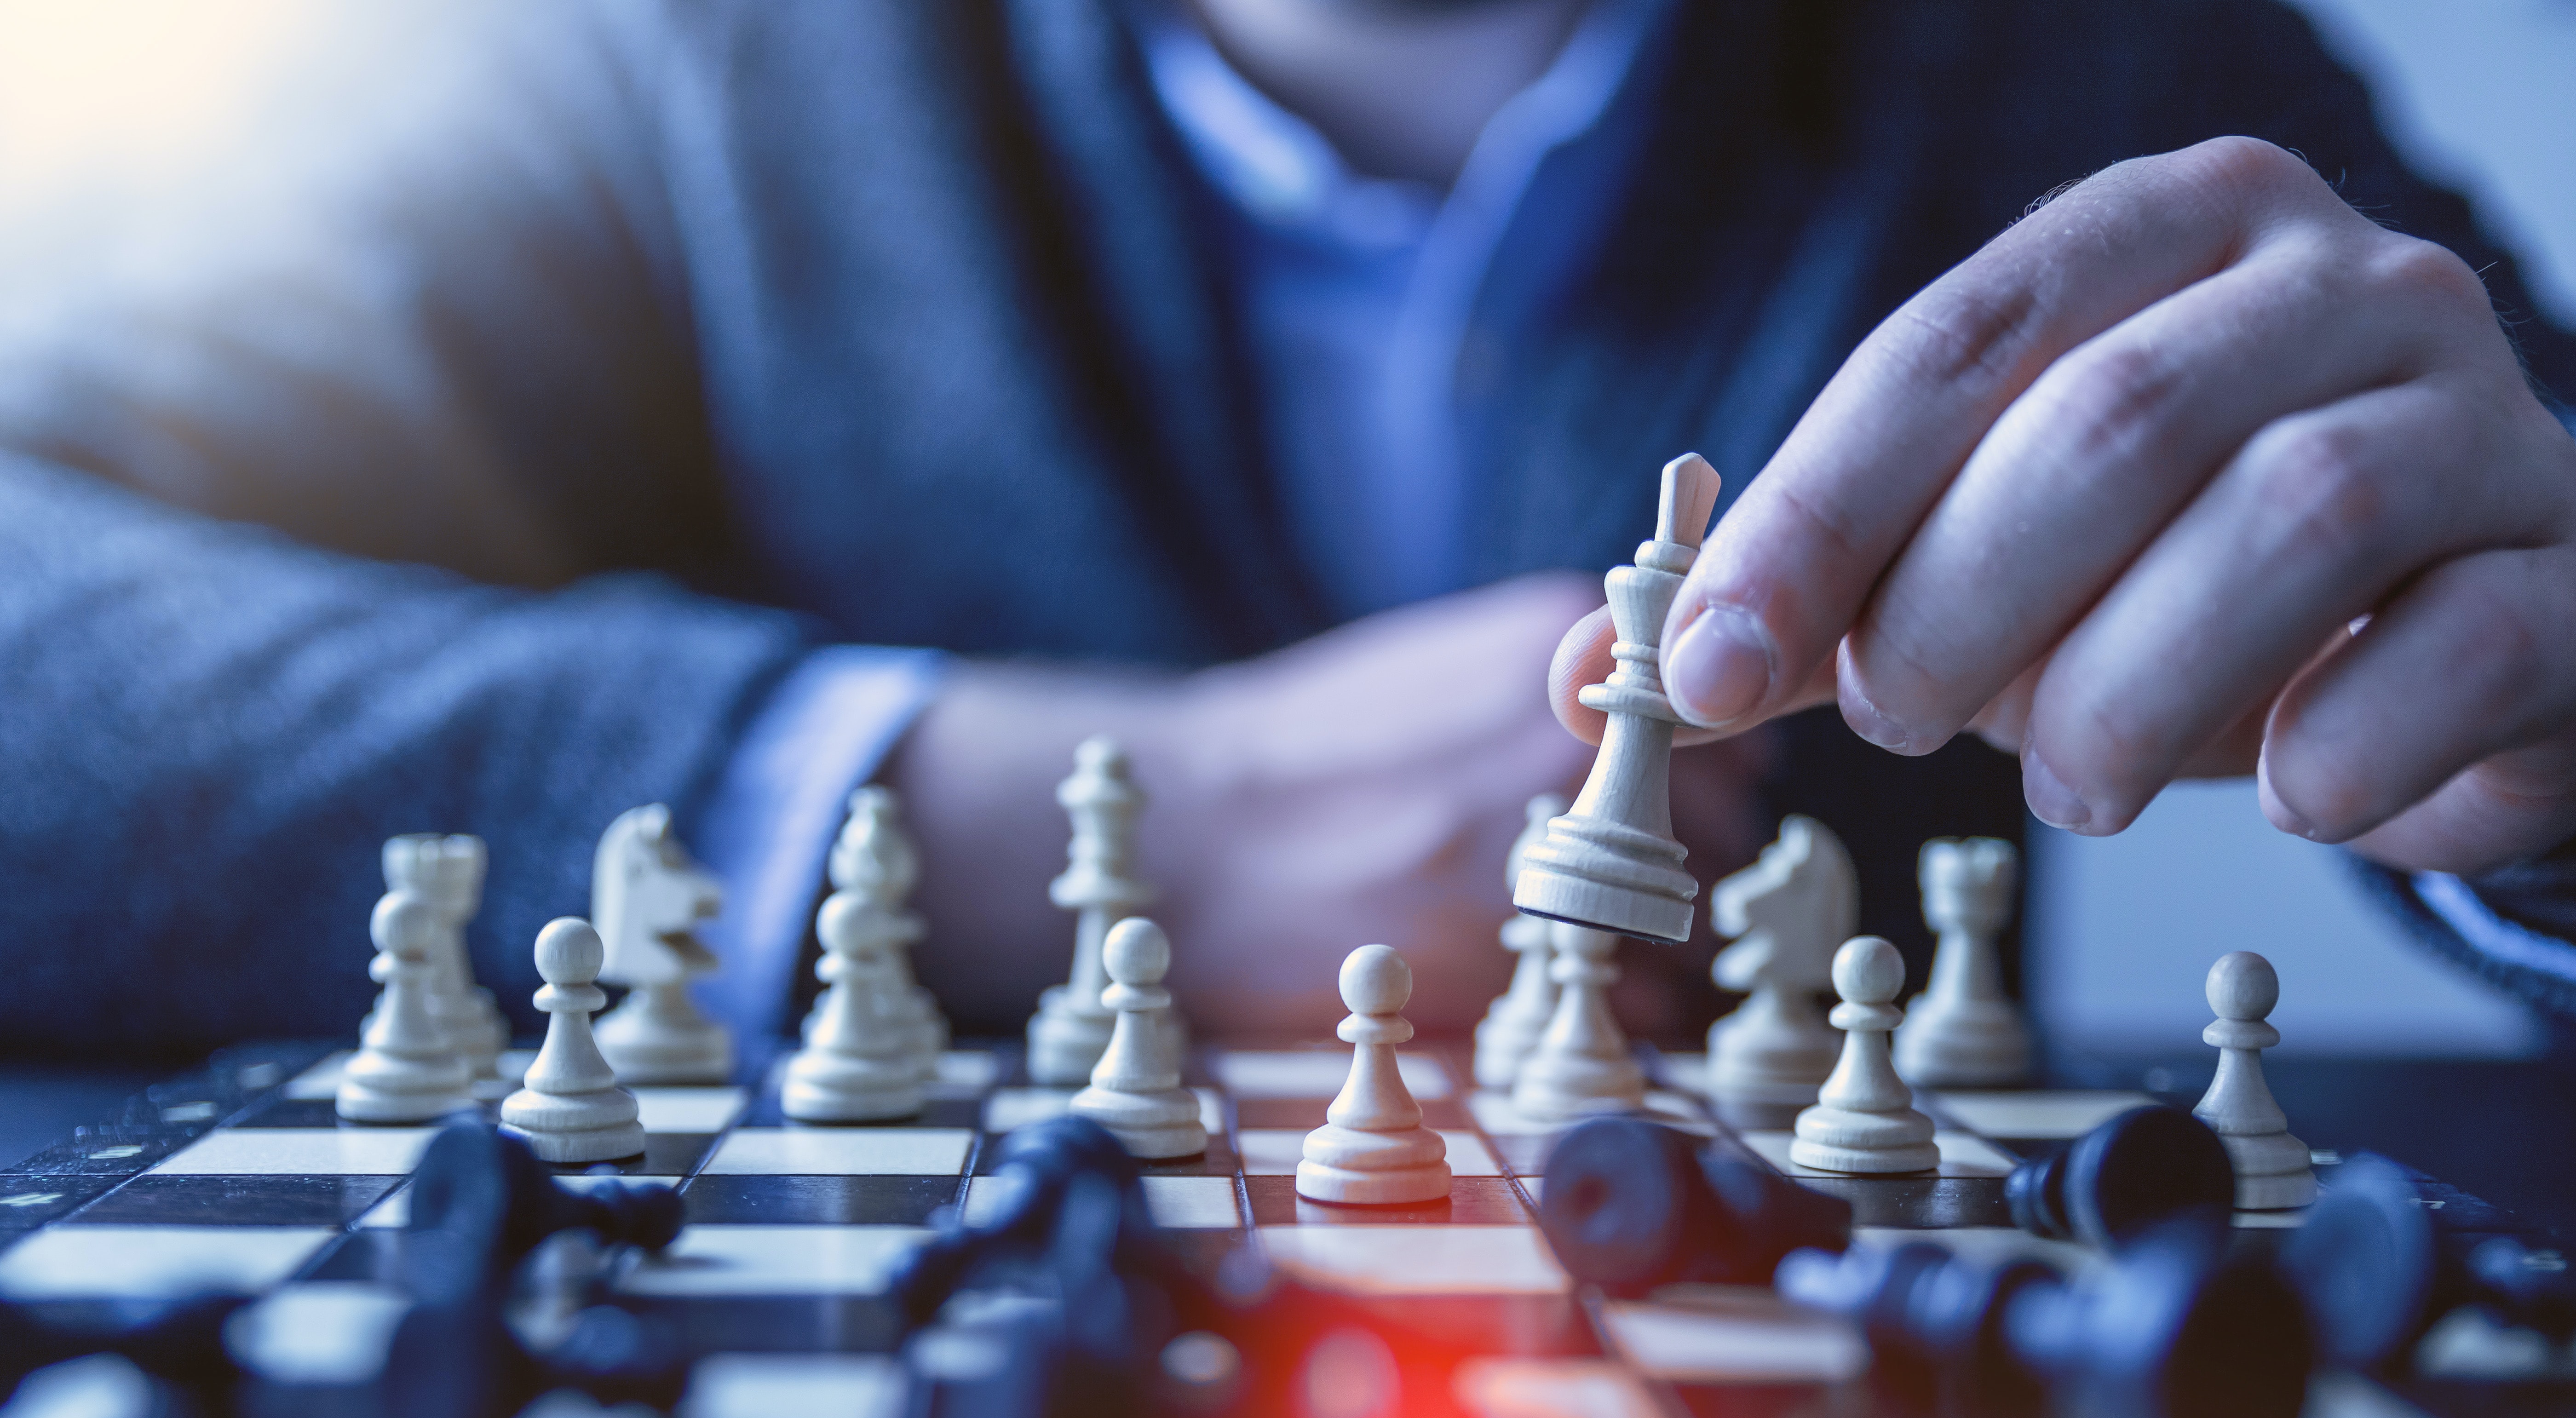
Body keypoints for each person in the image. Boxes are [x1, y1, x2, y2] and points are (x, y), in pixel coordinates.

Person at [0, 0, 2569, 1055]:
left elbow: (2508, 559)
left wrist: (2556, 784)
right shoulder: (629, 71)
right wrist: (1041, 824)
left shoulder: (2093, 67)